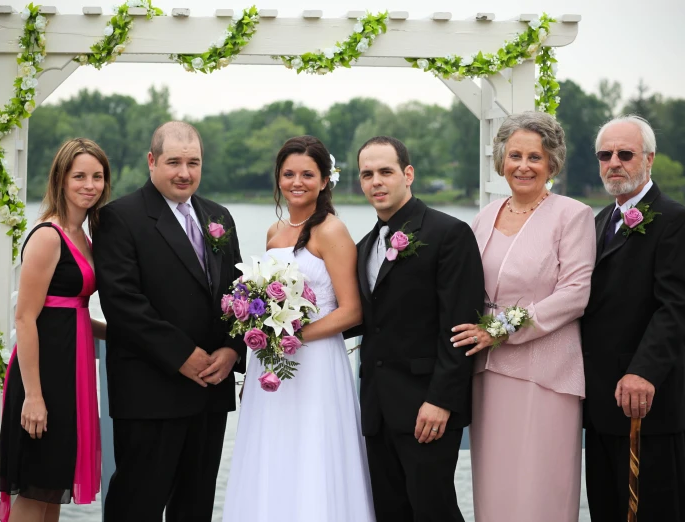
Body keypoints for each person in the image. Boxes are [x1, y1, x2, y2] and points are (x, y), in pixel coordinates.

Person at [94, 121, 245, 521]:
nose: (184, 172)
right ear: (151, 161)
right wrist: (182, 356)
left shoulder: (219, 216)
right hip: (150, 391)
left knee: (195, 508)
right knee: (136, 505)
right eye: (174, 161)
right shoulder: (119, 218)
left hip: (210, 390)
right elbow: (122, 303)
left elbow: (239, 296)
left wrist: (232, 349)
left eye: (193, 162)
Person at [450, 112, 595, 522]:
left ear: (552, 162)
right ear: (501, 160)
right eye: (515, 155)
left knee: (538, 487)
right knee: (494, 487)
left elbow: (574, 294)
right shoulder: (483, 217)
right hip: (488, 374)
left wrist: (500, 330)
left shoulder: (573, 215)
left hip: (546, 373)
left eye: (535, 156)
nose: (523, 165)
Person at [223, 135, 375, 522]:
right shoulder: (274, 233)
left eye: (308, 174)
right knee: (271, 448)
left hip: (315, 361)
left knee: (313, 449)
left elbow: (353, 310)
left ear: (325, 180)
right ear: (278, 178)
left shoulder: (332, 231)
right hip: (270, 362)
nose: (297, 182)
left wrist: (292, 336)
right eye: (288, 173)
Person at [351, 136, 484, 522]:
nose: (376, 181)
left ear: (407, 174)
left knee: (434, 510)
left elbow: (460, 327)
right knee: (390, 512)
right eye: (367, 174)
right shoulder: (364, 245)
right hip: (376, 408)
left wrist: (441, 400)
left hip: (426, 406)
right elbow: (367, 319)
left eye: (385, 172)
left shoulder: (449, 234)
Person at [582, 115, 685, 522]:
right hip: (600, 406)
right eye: (605, 154)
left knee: (653, 512)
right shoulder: (598, 223)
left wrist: (644, 372)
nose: (614, 162)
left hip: (650, 403)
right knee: (607, 511)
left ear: (649, 159)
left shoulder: (674, 219)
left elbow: (678, 307)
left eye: (625, 153)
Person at [0, 138, 110, 522]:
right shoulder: (48, 235)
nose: (89, 185)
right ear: (61, 179)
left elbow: (71, 311)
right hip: (41, 379)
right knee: (33, 490)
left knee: (51, 493)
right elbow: (25, 318)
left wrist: (117, 333)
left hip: (71, 377)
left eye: (97, 176)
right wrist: (34, 397)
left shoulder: (85, 237)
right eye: (79, 176)